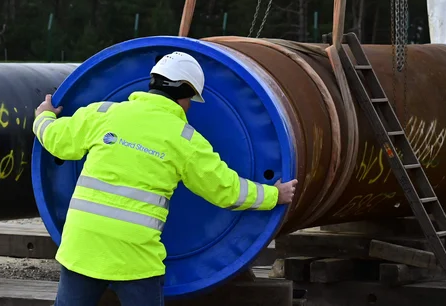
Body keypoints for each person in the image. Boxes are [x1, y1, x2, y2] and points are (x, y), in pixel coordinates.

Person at [32, 51, 298, 306]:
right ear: (184, 92)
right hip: (134, 257)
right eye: (191, 99)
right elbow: (225, 189)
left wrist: (43, 115)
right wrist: (274, 195)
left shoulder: (105, 113)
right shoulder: (185, 139)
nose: (189, 106)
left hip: (82, 246)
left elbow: (56, 140)